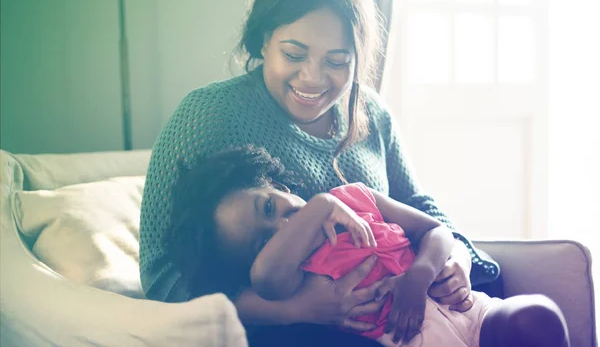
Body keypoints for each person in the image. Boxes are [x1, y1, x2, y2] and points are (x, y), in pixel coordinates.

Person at [139, 0, 569, 346]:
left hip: (418, 302)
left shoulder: (371, 114)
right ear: (264, 39)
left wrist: (455, 258)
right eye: (294, 53)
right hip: (296, 331)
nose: (313, 77)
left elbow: (420, 208)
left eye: (338, 60)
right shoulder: (209, 114)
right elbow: (163, 277)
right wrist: (298, 309)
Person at [167, 145, 568, 347]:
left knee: (536, 316)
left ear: (278, 185)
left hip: (465, 310)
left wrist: (420, 275)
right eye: (265, 240)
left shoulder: (358, 197)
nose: (283, 224)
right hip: (412, 340)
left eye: (270, 205)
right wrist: (322, 205)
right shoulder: (285, 281)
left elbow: (437, 231)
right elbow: (264, 277)